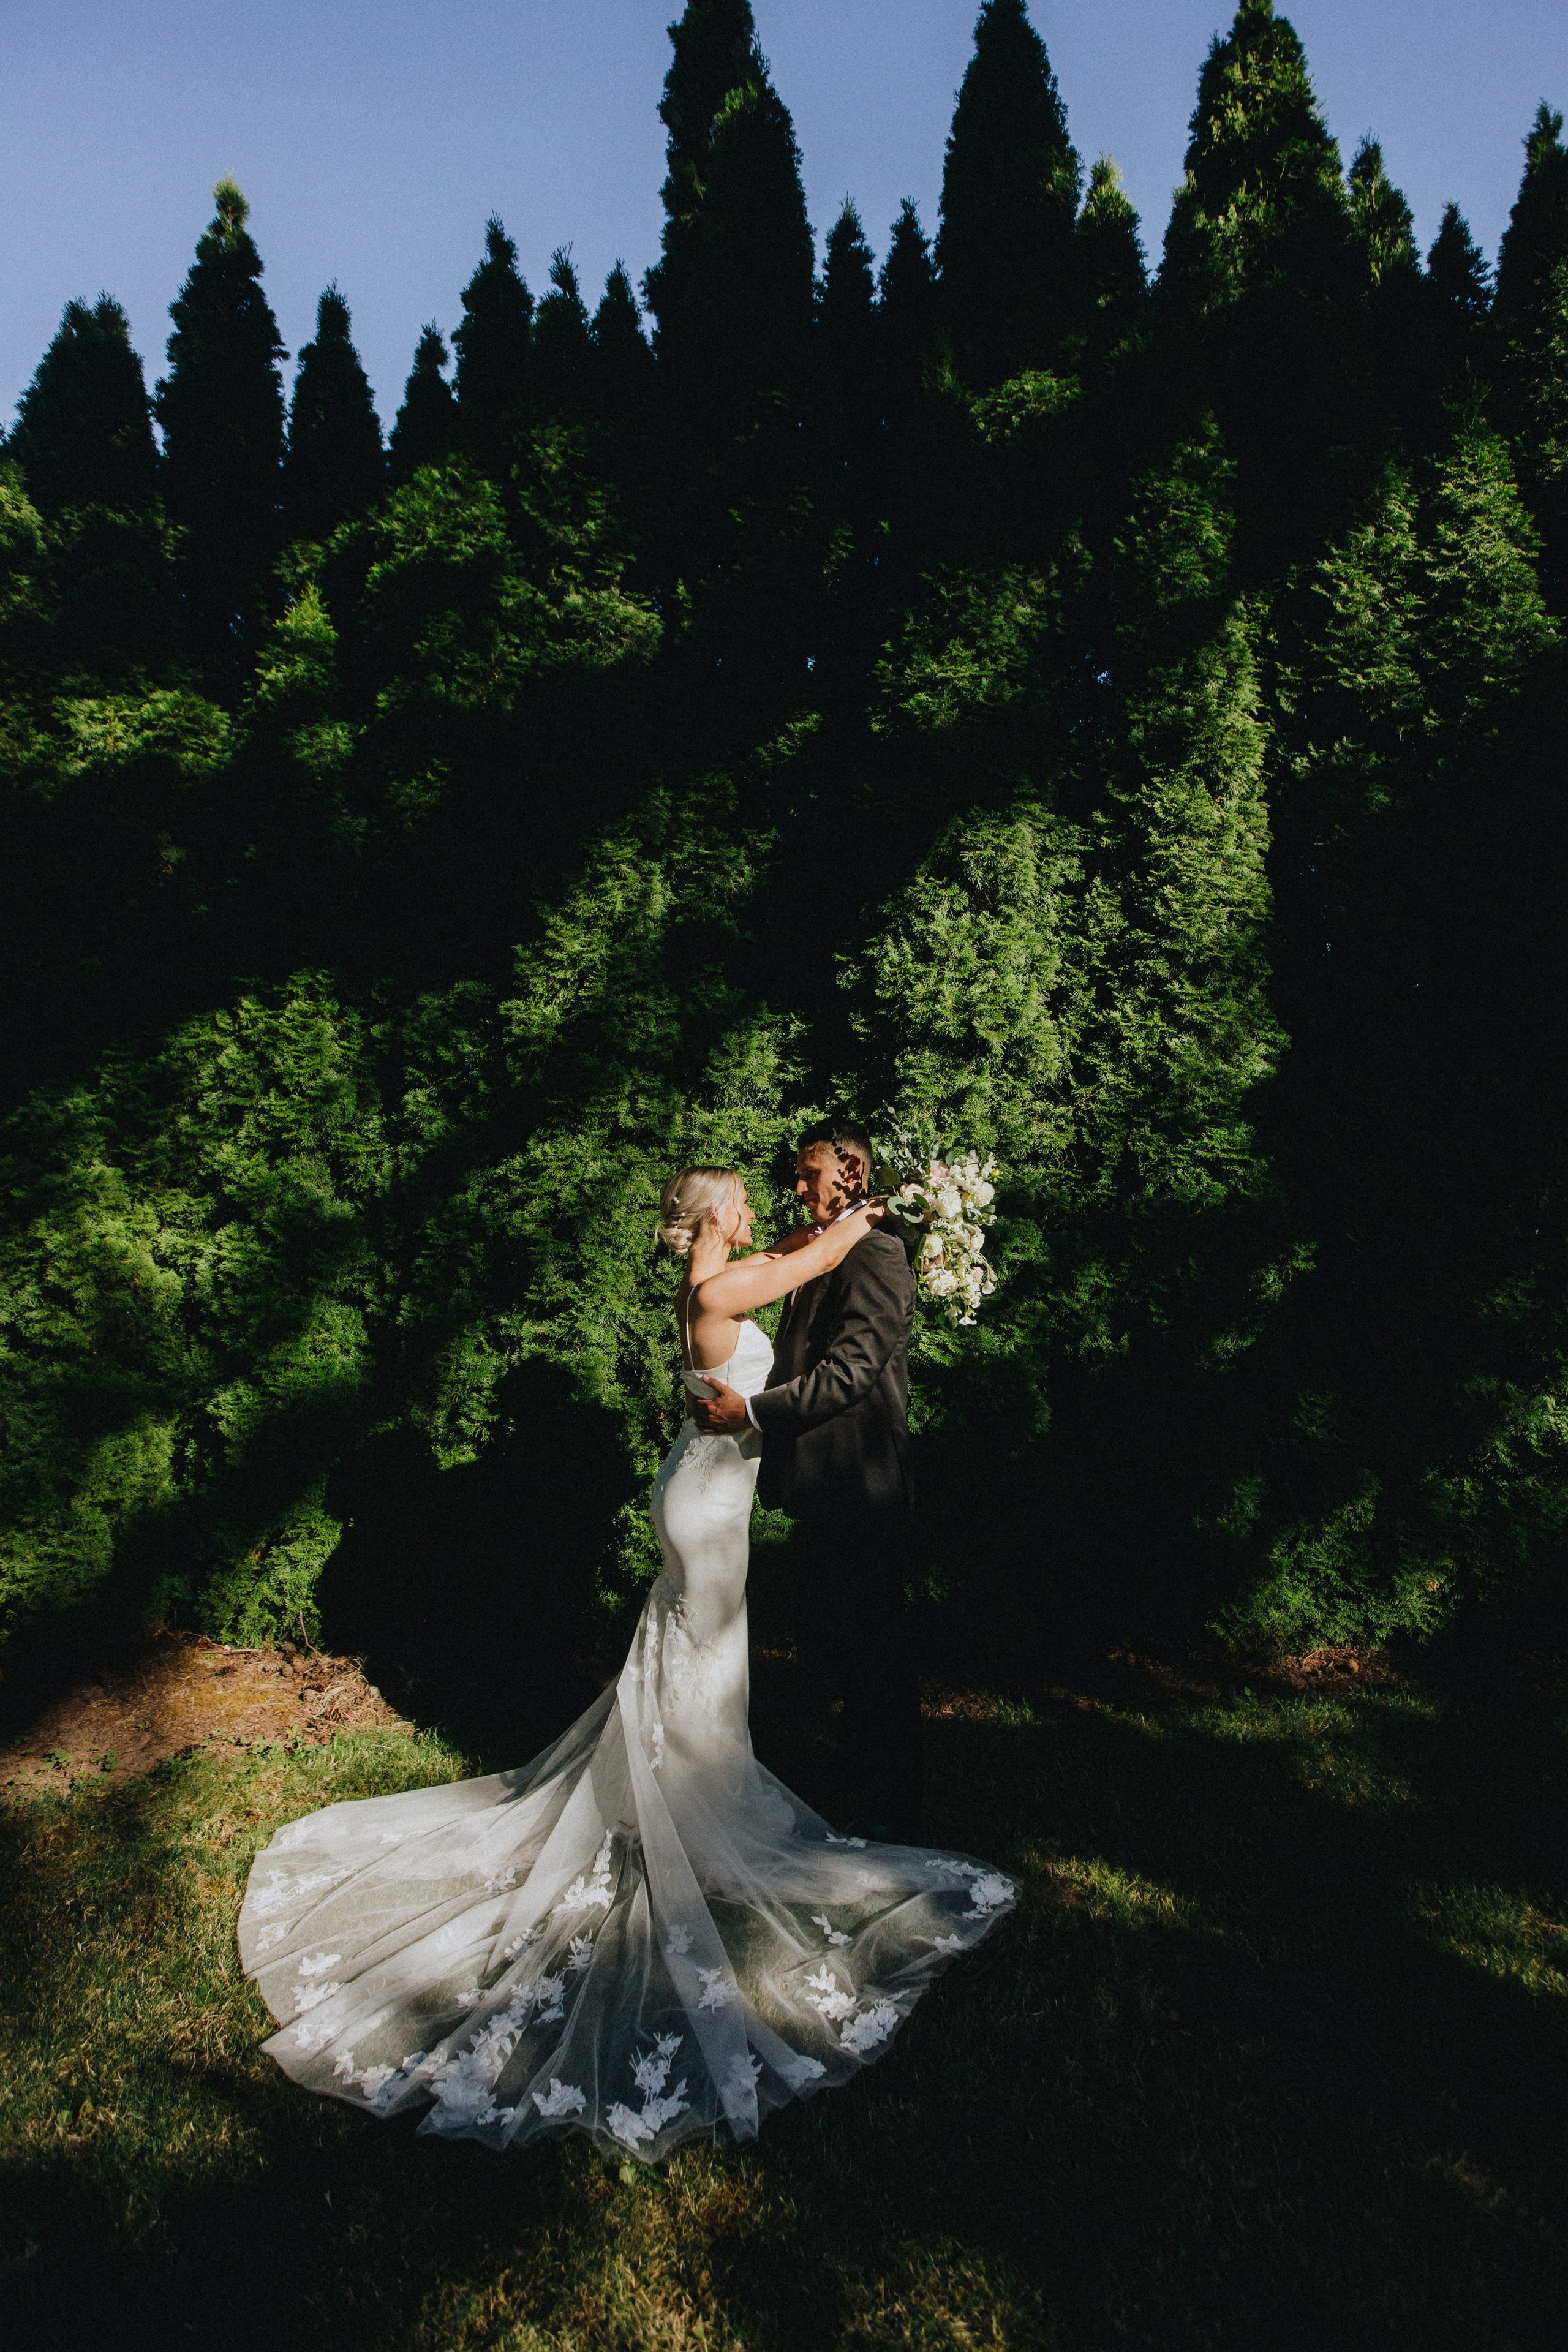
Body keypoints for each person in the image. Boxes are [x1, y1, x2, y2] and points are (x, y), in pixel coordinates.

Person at [237, 1162, 1014, 2163]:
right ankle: (686, 1806)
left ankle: (700, 1783)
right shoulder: (717, 1285)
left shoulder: (726, 1267)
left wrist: (854, 1221)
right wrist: (865, 1216)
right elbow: (814, 1257)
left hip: (712, 1494)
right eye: (739, 1198)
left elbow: (794, 1259)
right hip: (704, 1504)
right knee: (697, 1647)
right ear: (709, 1218)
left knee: (699, 1652)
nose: (756, 1207)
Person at [692, 1117, 922, 1840]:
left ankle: (894, 1804)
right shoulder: (828, 1247)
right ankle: (855, 1770)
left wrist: (752, 1412)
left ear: (851, 1171)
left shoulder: (877, 1253)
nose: (797, 1187)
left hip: (861, 1477)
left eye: (808, 1174)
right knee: (843, 1637)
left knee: (877, 1643)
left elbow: (851, 1373)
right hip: (820, 1479)